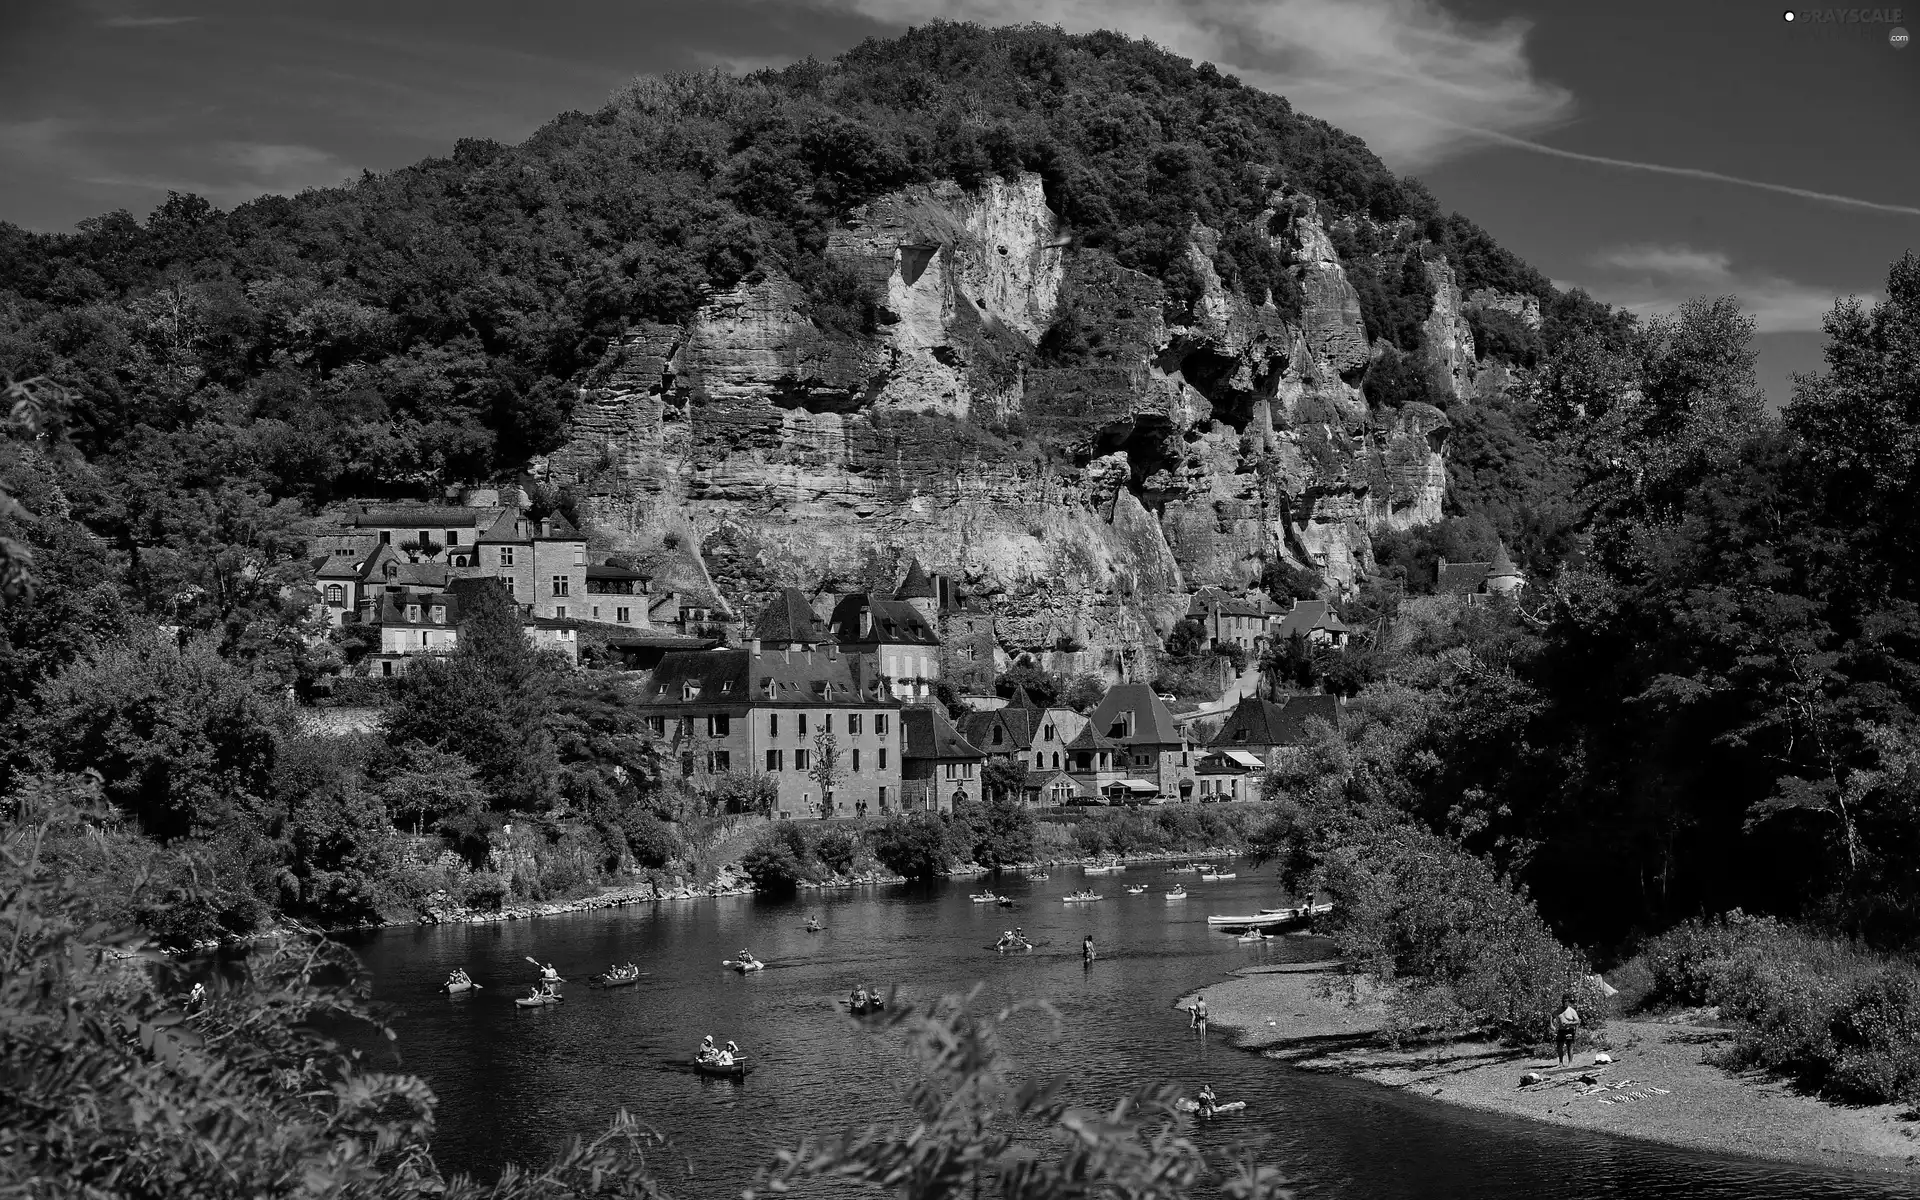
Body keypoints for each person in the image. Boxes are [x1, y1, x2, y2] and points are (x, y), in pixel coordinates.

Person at [1551, 992, 1583, 1065]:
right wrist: (1551, 1025)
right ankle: (1561, 1063)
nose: (1564, 1003)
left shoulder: (1571, 1011)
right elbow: (1552, 1015)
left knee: (1569, 1046)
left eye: (1566, 1001)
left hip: (1569, 1030)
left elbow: (1578, 1021)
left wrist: (1569, 1023)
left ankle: (1570, 1063)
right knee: (1559, 1046)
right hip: (1561, 1030)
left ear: (1568, 1002)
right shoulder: (1559, 1010)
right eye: (1563, 1001)